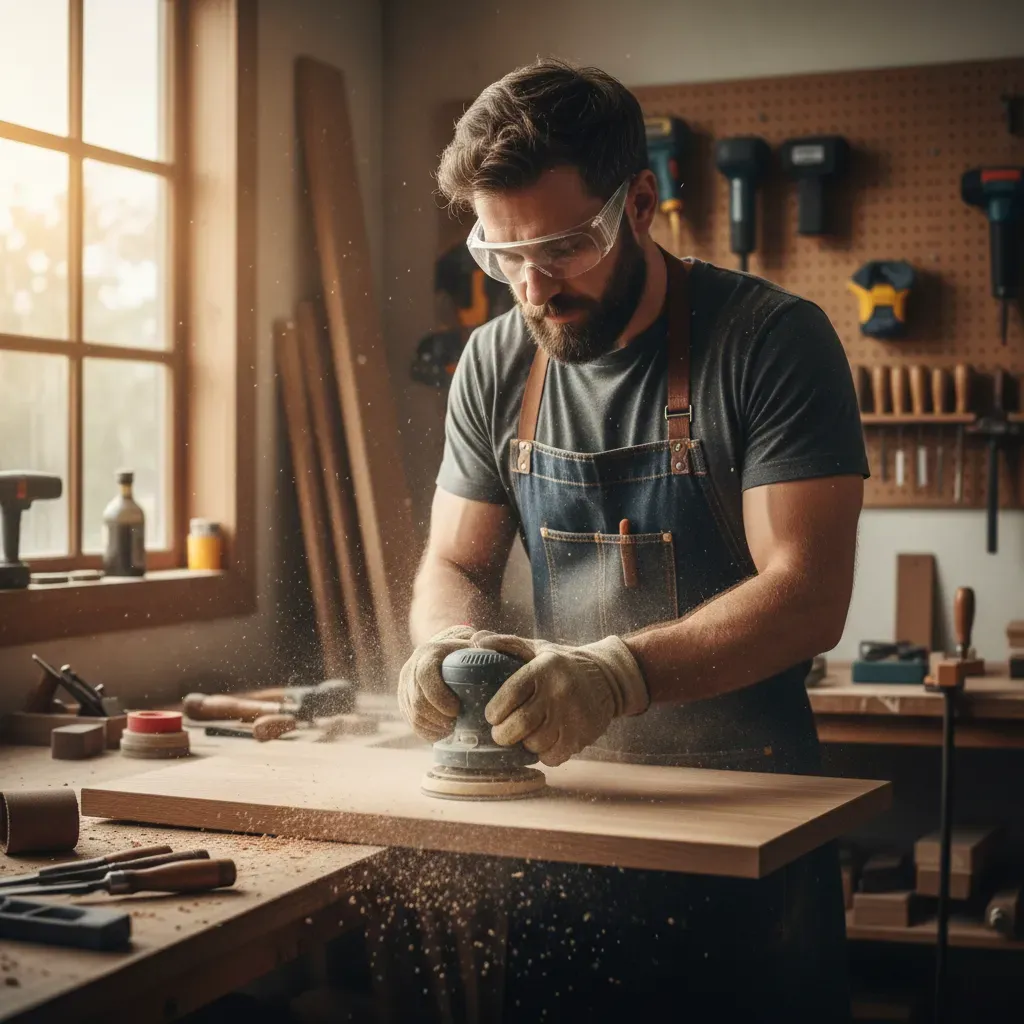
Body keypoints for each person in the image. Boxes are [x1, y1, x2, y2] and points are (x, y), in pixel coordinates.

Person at [398, 56, 867, 1022]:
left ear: (640, 202)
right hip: (568, 817)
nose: (534, 285)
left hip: (748, 821)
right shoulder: (494, 362)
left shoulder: (771, 343)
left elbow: (809, 592)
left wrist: (615, 675)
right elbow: (454, 562)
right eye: (503, 255)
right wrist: (444, 643)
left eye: (565, 247)